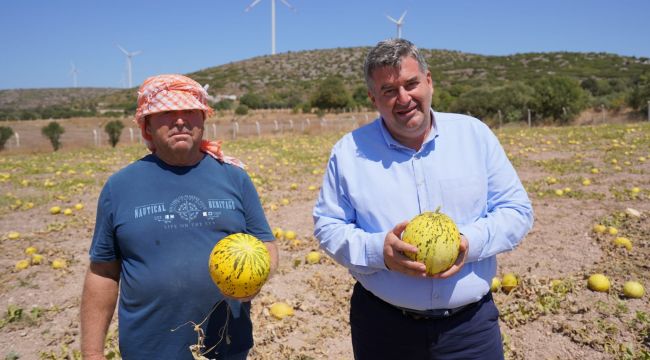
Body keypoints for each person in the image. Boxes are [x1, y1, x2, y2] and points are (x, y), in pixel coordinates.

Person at [313, 39, 534, 360]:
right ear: (373, 98)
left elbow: (517, 211)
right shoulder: (348, 152)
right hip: (383, 328)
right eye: (388, 90)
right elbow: (328, 226)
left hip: (469, 328)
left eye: (411, 84)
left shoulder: (474, 135)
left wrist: (467, 242)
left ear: (428, 81)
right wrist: (380, 252)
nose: (403, 98)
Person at [80, 74, 278, 360]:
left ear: (203, 119)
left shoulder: (235, 178)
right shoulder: (120, 186)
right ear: (146, 125)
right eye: (166, 113)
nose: (180, 120)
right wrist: (92, 352)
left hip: (226, 347)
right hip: (146, 351)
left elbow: (266, 244)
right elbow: (103, 273)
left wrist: (256, 278)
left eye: (189, 112)